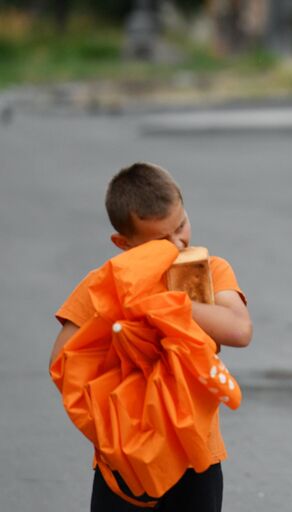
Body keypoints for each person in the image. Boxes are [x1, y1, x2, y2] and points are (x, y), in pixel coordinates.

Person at [50, 162, 253, 512]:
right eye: (160, 239)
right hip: (126, 454)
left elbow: (238, 330)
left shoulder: (206, 271)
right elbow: (64, 361)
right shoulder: (105, 285)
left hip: (195, 453)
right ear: (123, 243)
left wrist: (167, 304)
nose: (177, 243)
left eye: (182, 225)